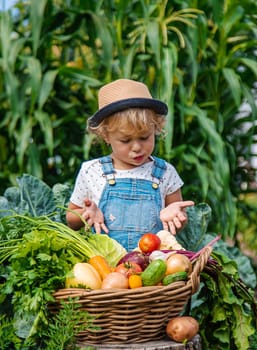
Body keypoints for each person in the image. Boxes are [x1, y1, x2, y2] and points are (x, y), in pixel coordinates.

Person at [66, 78, 194, 251]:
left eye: (144, 137)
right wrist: (86, 214)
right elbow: (70, 220)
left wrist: (175, 216)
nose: (137, 148)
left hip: (153, 266)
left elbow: (176, 224)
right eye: (125, 140)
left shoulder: (165, 173)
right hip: (104, 269)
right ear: (106, 136)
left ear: (156, 128)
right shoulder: (91, 171)